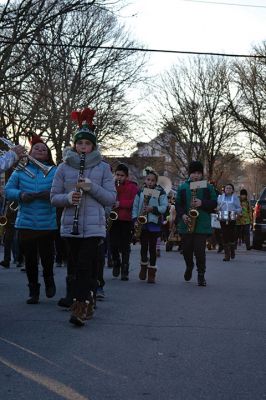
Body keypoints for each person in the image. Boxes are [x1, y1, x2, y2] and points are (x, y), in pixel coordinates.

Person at [50, 107, 116, 327]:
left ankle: (79, 307)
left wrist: (91, 187)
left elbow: (110, 199)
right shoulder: (63, 167)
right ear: (74, 145)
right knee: (77, 266)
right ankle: (88, 297)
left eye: (87, 144)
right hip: (71, 225)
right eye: (80, 144)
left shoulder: (104, 168)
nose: (83, 148)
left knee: (84, 266)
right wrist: (69, 197)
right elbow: (53, 197)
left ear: (93, 146)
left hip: (95, 226)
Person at [5, 135, 57, 303]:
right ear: (30, 152)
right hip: (26, 222)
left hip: (47, 222)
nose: (40, 150)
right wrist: (21, 194)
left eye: (44, 149)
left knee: (48, 258)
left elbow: (60, 189)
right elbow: (7, 190)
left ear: (48, 155)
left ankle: (49, 281)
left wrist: (50, 194)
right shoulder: (20, 170)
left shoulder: (54, 171)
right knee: (30, 260)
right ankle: (33, 290)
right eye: (37, 148)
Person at [175, 161, 217, 286]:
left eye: (199, 173)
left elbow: (214, 202)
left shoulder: (207, 187)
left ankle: (201, 274)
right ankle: (189, 266)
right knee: (187, 251)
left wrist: (202, 203)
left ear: (202, 174)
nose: (196, 176)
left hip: (202, 224)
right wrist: (182, 215)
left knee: (200, 251)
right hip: (186, 223)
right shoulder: (183, 187)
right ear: (190, 173)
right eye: (193, 173)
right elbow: (178, 204)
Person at [132, 168, 168, 284]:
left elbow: (164, 207)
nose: (150, 182)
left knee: (152, 248)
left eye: (152, 180)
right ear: (145, 180)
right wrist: (134, 219)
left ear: (155, 182)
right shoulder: (140, 191)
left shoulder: (160, 192)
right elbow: (135, 206)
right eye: (148, 180)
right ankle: (143, 266)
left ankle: (152, 271)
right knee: (143, 247)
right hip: (142, 223)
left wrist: (153, 209)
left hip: (154, 224)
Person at [109, 163, 139, 281]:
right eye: (117, 175)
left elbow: (135, 202)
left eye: (122, 175)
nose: (119, 177)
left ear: (127, 176)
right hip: (113, 219)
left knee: (125, 245)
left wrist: (120, 204)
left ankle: (125, 269)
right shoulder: (111, 185)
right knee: (113, 244)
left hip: (126, 220)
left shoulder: (132, 187)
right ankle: (116, 262)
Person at [217, 183, 242, 261]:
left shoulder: (235, 198)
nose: (228, 189)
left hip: (232, 217)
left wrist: (236, 211)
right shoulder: (220, 197)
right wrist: (217, 209)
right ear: (224, 189)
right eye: (227, 188)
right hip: (223, 218)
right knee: (224, 235)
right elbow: (217, 207)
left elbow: (239, 208)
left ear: (232, 190)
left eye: (230, 188)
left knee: (231, 235)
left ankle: (232, 250)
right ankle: (226, 255)